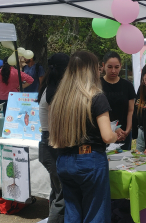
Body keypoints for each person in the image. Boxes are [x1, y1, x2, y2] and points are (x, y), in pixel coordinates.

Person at [49, 50, 118, 223]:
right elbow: (107, 136)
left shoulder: (60, 98)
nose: (100, 71)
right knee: (96, 214)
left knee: (72, 214)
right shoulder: (96, 97)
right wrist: (115, 135)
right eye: (98, 67)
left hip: (64, 161)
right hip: (90, 161)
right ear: (91, 70)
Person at [37, 53, 69, 223]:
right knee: (63, 196)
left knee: (56, 191)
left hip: (48, 144)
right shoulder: (54, 92)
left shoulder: (48, 87)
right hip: (53, 145)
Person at [101, 51, 136, 150]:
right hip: (104, 133)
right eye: (109, 67)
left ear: (120, 66)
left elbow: (131, 110)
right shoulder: (97, 85)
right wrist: (114, 128)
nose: (113, 71)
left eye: (116, 67)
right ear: (103, 66)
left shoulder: (127, 85)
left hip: (124, 134)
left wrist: (128, 130)